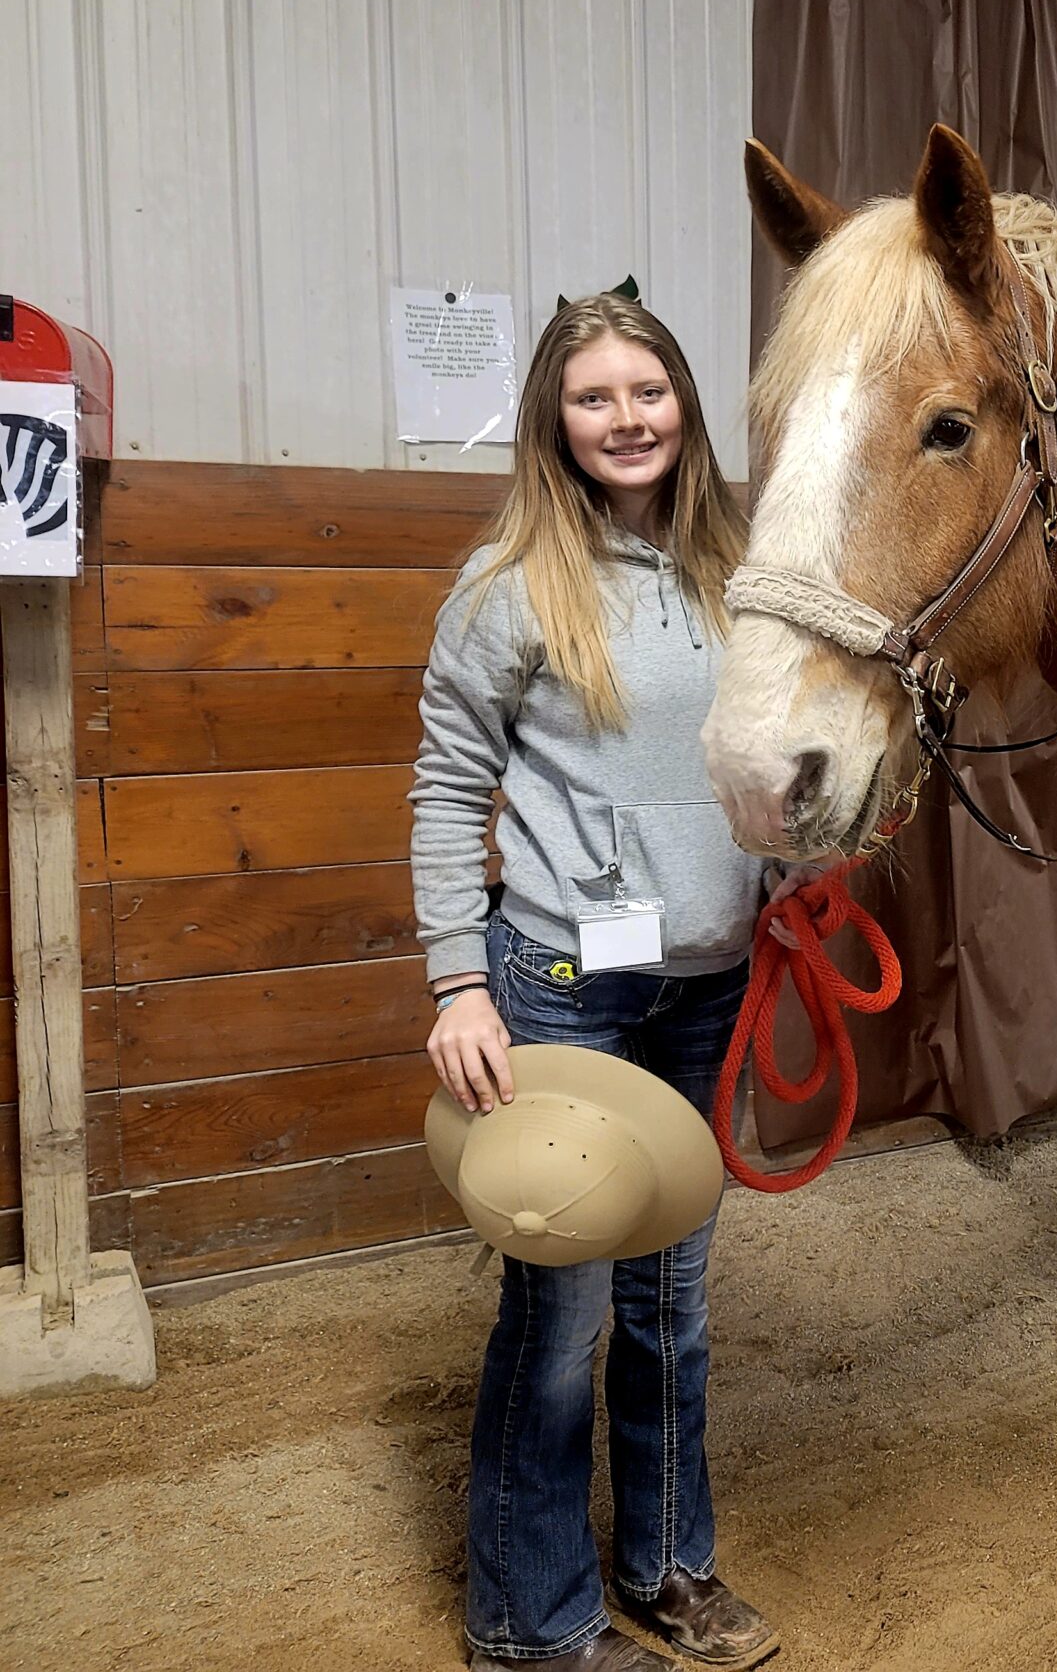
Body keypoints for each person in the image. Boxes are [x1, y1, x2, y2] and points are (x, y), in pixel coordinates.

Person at [411, 293, 805, 1671]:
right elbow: (446, 788)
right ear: (555, 420)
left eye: (648, 390)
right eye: (594, 397)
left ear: (682, 402)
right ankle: (529, 1623)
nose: (627, 419)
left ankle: (670, 1568)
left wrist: (790, 866)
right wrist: (458, 982)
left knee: (669, 1305)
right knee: (560, 1309)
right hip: (564, 982)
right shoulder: (510, 585)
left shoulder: (741, 571)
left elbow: (763, 755)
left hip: (706, 982)